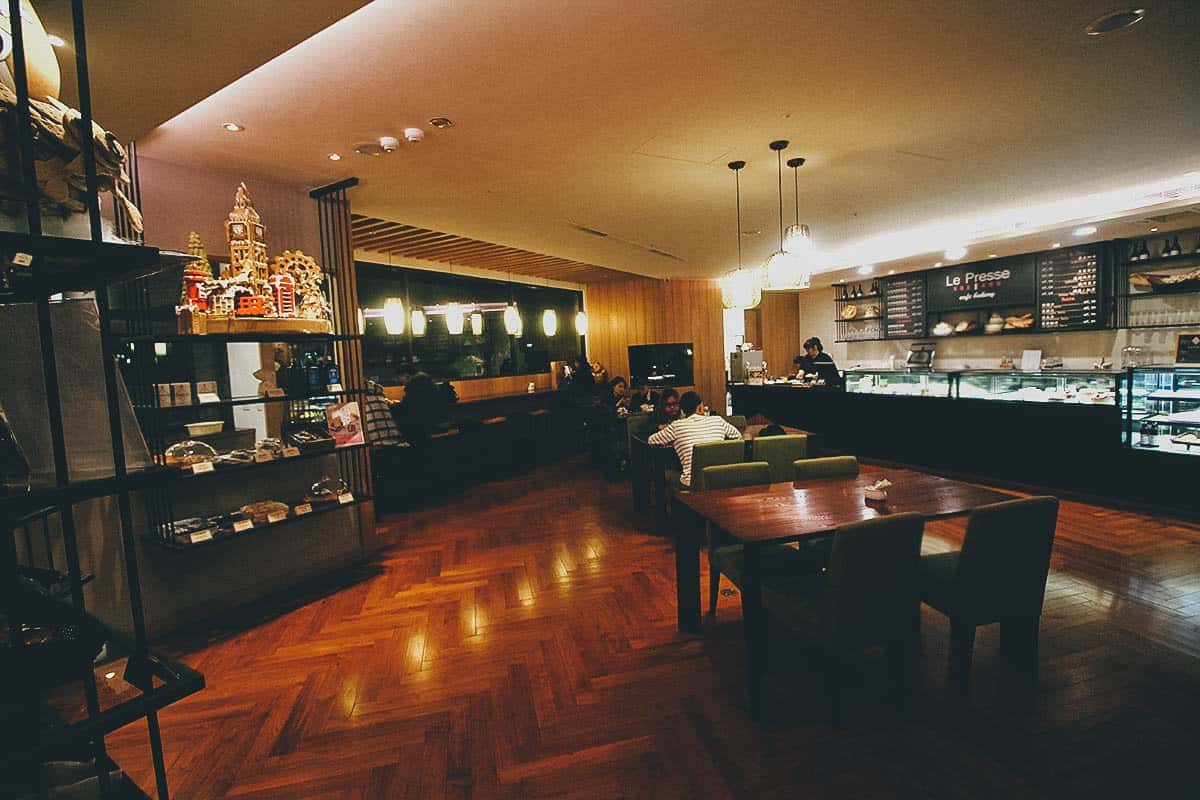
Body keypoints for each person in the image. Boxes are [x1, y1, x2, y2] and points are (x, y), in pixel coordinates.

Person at [647, 390, 742, 488]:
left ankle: (671, 502)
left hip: (692, 483)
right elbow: (737, 435)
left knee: (666, 473)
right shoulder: (718, 420)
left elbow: (651, 440)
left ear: (682, 410)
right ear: (700, 406)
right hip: (720, 479)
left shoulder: (677, 426)